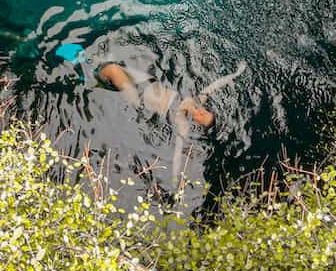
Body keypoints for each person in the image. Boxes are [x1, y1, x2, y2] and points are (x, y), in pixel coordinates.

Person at [95, 60, 247, 188]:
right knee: (112, 66)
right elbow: (215, 85)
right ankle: (96, 74)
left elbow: (177, 153)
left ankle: (93, 81)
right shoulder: (197, 101)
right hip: (147, 83)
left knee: (112, 70)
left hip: (139, 99)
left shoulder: (183, 124)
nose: (200, 113)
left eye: (201, 118)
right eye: (205, 113)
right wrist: (237, 73)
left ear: (198, 124)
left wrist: (175, 180)